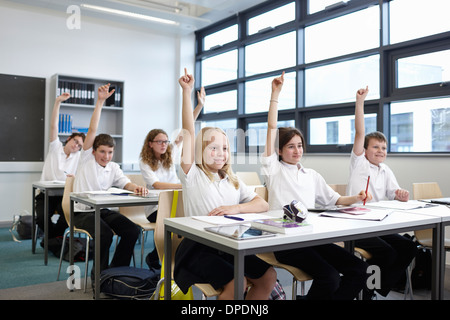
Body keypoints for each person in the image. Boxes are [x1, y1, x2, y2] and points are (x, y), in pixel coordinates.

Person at [261, 72, 371, 300]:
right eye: (290, 147)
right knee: (330, 277)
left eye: (299, 145)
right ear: (279, 150)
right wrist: (275, 94)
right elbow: (272, 128)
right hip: (285, 240)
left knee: (359, 270)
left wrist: (357, 197)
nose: (297, 150)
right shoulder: (274, 170)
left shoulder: (310, 174)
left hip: (312, 237)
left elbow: (336, 200)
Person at [173, 68, 277, 300]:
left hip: (231, 245)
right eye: (213, 148)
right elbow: (189, 132)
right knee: (237, 281)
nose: (221, 154)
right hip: (198, 248)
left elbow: (262, 204)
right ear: (200, 150)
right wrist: (187, 91)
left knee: (268, 276)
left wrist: (236, 208)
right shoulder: (193, 174)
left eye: (225, 148)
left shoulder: (232, 179)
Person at [347, 86, 417, 299]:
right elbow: (360, 131)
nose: (380, 151)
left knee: (408, 247)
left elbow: (394, 192)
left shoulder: (385, 169)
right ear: (364, 150)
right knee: (387, 252)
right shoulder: (359, 163)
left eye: (384, 148)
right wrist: (360, 102)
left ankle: (374, 287)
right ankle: (367, 291)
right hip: (357, 224)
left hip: (378, 223)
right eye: (375, 147)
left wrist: (401, 194)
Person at [73, 83, 146, 274]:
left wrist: (136, 187)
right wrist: (100, 101)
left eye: (110, 152)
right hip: (82, 212)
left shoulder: (113, 167)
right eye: (102, 152)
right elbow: (92, 129)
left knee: (132, 231)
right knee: (104, 234)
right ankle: (99, 277)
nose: (106, 156)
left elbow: (125, 183)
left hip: (103, 211)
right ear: (94, 151)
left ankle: (116, 272)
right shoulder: (86, 159)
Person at [139, 88, 205, 270]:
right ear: (150, 144)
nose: (164, 145)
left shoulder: (171, 153)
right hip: (155, 207)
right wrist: (181, 185)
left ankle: (169, 259)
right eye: (160, 142)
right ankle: (156, 258)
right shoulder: (144, 162)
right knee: (175, 226)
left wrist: (199, 105)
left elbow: (186, 129)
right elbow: (157, 185)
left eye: (166, 141)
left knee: (192, 222)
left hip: (176, 202)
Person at [37, 92, 85, 248]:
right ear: (69, 138)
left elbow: (82, 175)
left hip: (64, 194)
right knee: (42, 218)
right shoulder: (55, 147)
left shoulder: (79, 157)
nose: (76, 146)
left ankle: (51, 240)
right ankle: (53, 240)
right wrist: (58, 102)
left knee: (67, 217)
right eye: (75, 141)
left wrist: (75, 177)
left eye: (79, 146)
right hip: (47, 194)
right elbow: (53, 125)